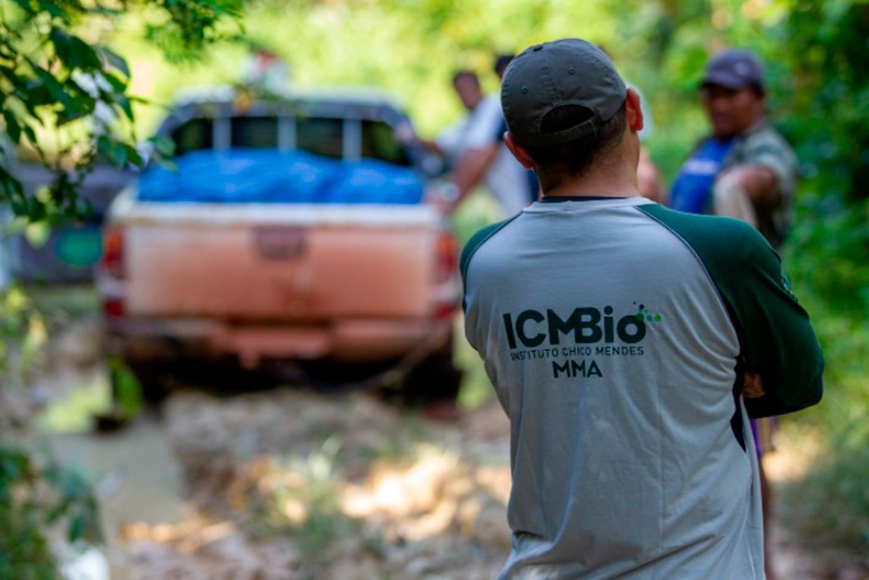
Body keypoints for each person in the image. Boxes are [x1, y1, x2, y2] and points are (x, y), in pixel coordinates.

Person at [461, 38, 824, 578]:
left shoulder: (483, 261)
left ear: (516, 148)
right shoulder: (725, 250)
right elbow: (800, 383)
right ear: (633, 111)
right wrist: (718, 372)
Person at [669, 48, 799, 579]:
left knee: (748, 448)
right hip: (690, 320)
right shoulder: (706, 146)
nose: (718, 102)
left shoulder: (763, 147)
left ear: (759, 99)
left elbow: (763, 177)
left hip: (737, 328)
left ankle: (760, 566)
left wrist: (737, 187)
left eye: (731, 93)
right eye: (711, 92)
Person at [433, 54, 534, 217]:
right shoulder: (468, 122)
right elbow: (444, 145)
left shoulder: (496, 106)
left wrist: (449, 200)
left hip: (528, 202)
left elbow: (479, 155)